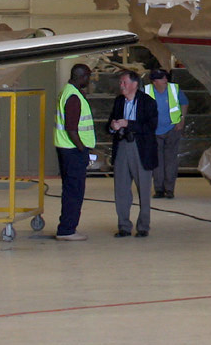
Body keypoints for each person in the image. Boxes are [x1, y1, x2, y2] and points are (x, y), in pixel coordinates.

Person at [108, 69, 158, 238]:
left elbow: (150, 127)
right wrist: (113, 126)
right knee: (121, 188)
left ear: (135, 84)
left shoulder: (148, 102)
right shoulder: (119, 101)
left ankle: (143, 226)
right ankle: (124, 225)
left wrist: (128, 124)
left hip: (140, 148)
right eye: (121, 83)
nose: (121, 86)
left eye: (124, 82)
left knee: (144, 189)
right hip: (122, 146)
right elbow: (110, 121)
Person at [52, 62, 96, 241]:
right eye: (88, 76)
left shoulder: (67, 91)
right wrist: (82, 149)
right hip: (73, 151)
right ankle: (67, 229)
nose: (89, 80)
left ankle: (67, 227)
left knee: (70, 189)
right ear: (82, 77)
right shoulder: (73, 97)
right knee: (74, 191)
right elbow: (72, 128)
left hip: (65, 148)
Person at [145, 68, 186, 199]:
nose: (165, 80)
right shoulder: (146, 91)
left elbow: (184, 102)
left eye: (165, 78)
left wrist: (181, 120)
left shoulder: (174, 89)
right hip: (154, 131)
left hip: (172, 129)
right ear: (154, 81)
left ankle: (169, 189)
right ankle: (159, 189)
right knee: (157, 162)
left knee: (170, 160)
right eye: (161, 78)